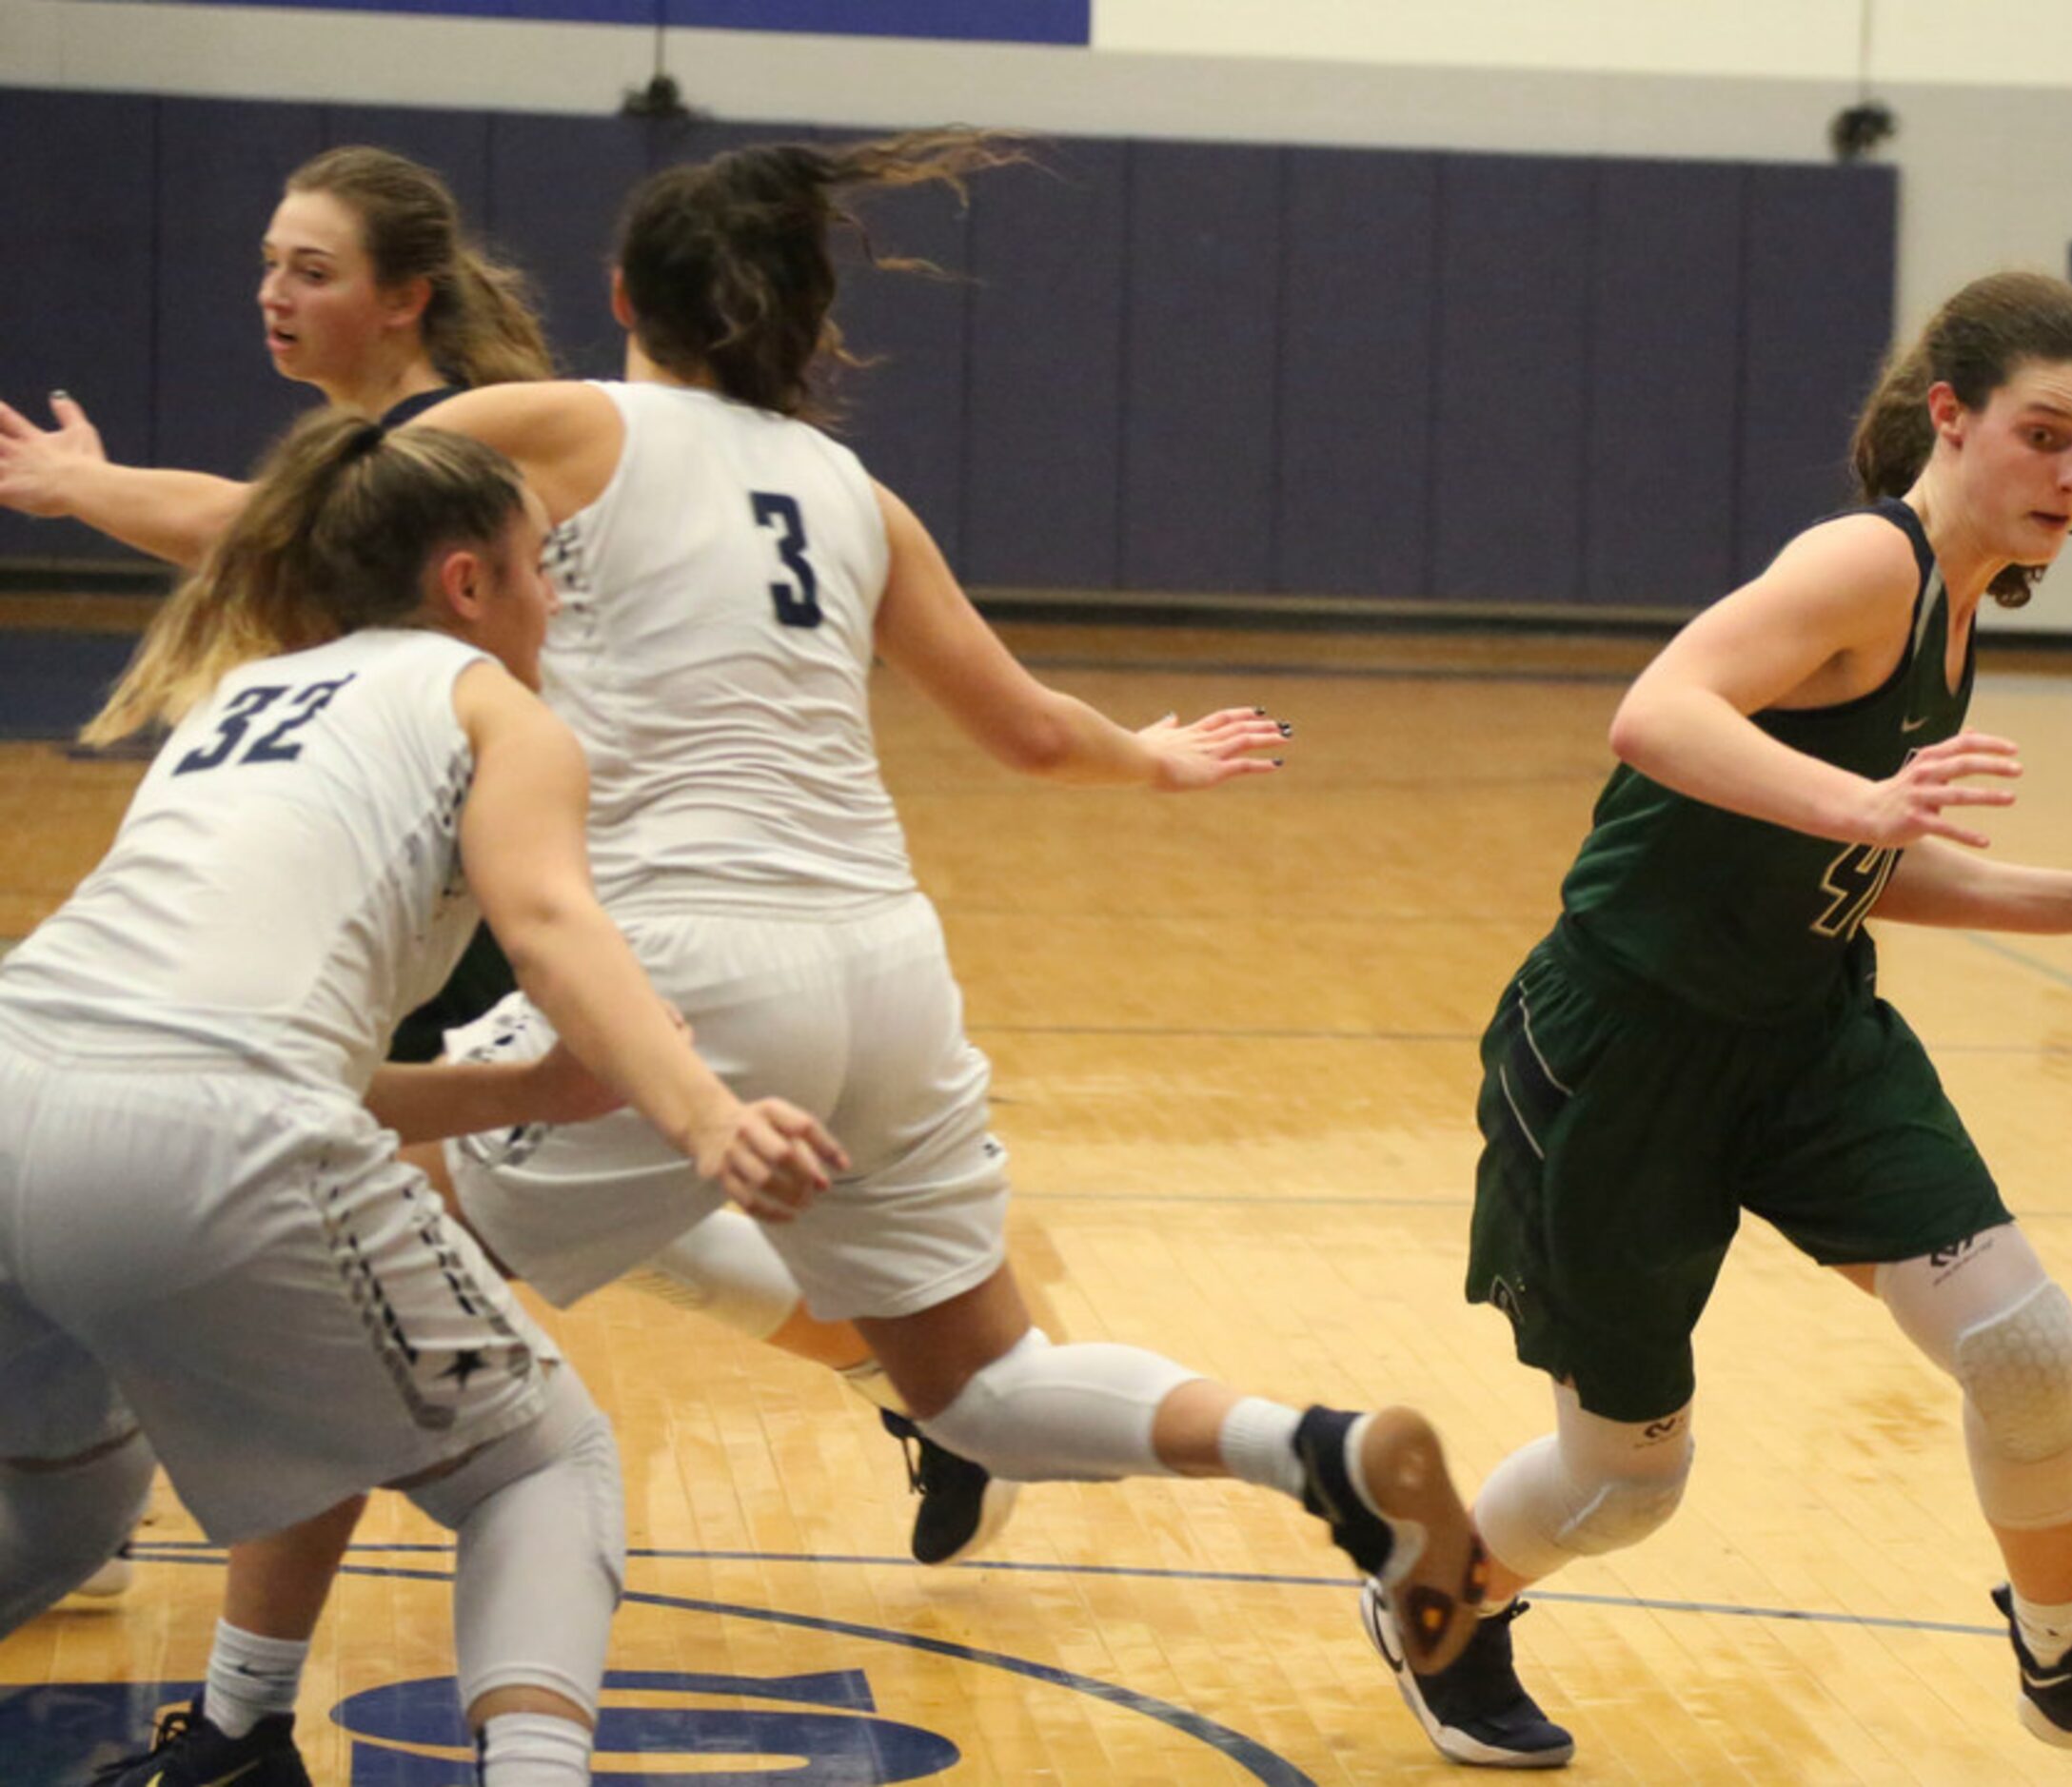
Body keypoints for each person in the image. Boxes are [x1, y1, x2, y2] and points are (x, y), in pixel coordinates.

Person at [393, 129, 1490, 1696]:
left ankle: (209, 1604)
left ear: (626, 292)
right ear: (803, 319)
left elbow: (293, 523)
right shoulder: (853, 491)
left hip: (680, 956)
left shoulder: (568, 420)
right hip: (887, 971)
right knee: (977, 1388)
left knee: (337, 1182)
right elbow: (1034, 728)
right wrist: (1156, 758)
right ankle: (1306, 1446)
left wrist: (91, 491)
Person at [0, 143, 1009, 1571]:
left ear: (403, 299)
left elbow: (251, 534)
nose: (275, 294)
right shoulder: (452, 426)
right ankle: (912, 1383)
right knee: (542, 1188)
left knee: (324, 1176)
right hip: (453, 846)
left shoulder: (449, 438)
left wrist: (73, 491)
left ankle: (170, 1535)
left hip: (468, 863)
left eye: (313, 269)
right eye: (269, 265)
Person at [1358, 271, 2072, 1787]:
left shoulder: (1961, 609)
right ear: (1951, 416)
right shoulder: (1864, 562)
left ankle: (2067, 1653)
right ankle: (1432, 1599)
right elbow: (1657, 711)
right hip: (1625, 1051)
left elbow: (1863, 861)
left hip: (1805, 1036)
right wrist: (1859, 797)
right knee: (1628, 1479)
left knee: (2029, 1352)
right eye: (2047, 435)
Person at [0, 410, 845, 1787]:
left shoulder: (246, 699)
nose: (556, 599)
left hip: (18, 1082)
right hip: (207, 1133)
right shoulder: (492, 705)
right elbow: (554, 920)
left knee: (57, 1522)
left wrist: (522, 1088)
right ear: (467, 583)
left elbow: (211, 1038)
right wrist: (704, 1114)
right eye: (539, 568)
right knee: (537, 1467)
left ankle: (239, 1741)